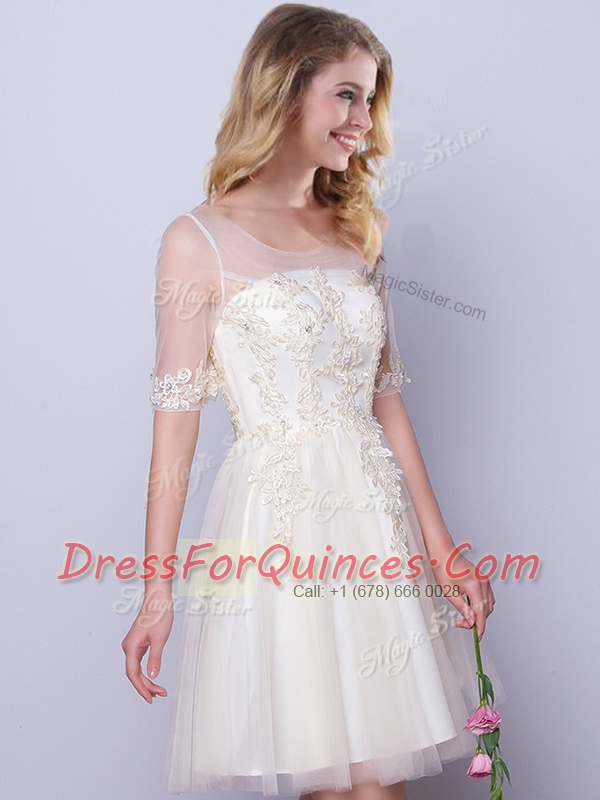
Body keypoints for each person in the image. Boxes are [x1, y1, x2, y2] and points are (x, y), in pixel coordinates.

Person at [122, 4, 504, 799]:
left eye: (371, 99)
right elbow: (174, 436)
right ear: (285, 91)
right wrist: (157, 591)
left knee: (378, 782)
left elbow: (387, 402)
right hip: (279, 531)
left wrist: (443, 551)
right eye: (347, 95)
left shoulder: (358, 229)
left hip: (373, 524)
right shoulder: (197, 240)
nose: (364, 120)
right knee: (331, 777)